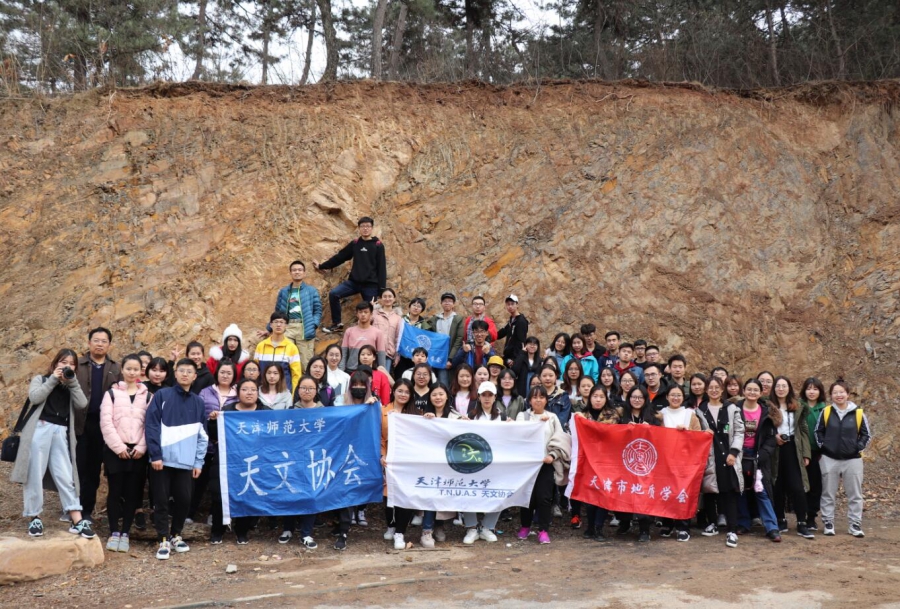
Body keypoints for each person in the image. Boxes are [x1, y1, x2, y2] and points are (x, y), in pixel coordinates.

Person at [12, 349, 94, 539]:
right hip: (39, 429)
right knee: (34, 474)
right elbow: (35, 397)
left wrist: (71, 381)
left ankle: (77, 519)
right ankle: (34, 517)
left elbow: (82, 404)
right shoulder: (41, 379)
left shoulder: (71, 384)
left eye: (72, 363)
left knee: (66, 475)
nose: (67, 366)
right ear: (55, 363)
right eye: (63, 362)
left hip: (60, 432)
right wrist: (53, 379)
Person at [144, 359, 208, 559]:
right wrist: (155, 454)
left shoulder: (198, 402)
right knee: (161, 501)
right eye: (181, 370)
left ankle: (176, 535)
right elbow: (151, 425)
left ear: (195, 376)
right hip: (162, 461)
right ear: (176, 373)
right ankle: (163, 538)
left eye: (189, 371)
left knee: (184, 500)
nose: (185, 374)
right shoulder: (162, 395)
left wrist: (198, 462)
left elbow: (203, 435)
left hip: (186, 462)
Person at [99, 354, 151, 552]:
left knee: (132, 493)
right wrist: (119, 447)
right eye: (128, 368)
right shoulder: (111, 394)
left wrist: (141, 447)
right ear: (122, 370)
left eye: (136, 369)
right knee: (115, 492)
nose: (132, 372)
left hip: (138, 451)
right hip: (115, 451)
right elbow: (106, 423)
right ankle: (114, 532)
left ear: (141, 371)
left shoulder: (148, 396)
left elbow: (150, 425)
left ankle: (126, 532)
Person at [212, 379, 272, 545]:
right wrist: (213, 420)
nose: (249, 393)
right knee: (221, 495)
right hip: (229, 461)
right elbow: (214, 435)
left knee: (249, 494)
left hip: (255, 461)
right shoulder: (227, 411)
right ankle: (218, 530)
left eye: (253, 389)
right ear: (238, 393)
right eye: (245, 389)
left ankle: (242, 531)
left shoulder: (265, 412)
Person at [74, 327, 122, 523]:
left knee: (94, 470)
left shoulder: (116, 368)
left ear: (109, 345)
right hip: (80, 424)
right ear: (89, 343)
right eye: (96, 340)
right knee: (77, 468)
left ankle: (86, 511)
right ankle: (72, 508)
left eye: (104, 341)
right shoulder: (77, 364)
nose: (100, 344)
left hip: (103, 426)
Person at [816, 379, 871, 538]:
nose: (838, 395)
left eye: (842, 392)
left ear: (847, 394)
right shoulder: (826, 412)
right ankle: (828, 522)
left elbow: (866, 435)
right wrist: (824, 446)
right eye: (835, 392)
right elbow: (818, 432)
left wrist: (857, 447)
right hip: (829, 458)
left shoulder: (858, 413)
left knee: (855, 493)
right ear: (831, 395)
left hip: (852, 460)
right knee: (828, 492)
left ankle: (855, 524)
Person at [315, 217, 387, 333]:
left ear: (372, 228)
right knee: (334, 294)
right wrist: (322, 266)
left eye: (368, 226)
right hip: (354, 283)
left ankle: (373, 334)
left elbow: (382, 268)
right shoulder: (355, 243)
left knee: (372, 311)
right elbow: (340, 257)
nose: (365, 228)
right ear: (359, 228)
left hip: (370, 285)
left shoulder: (378, 245)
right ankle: (337, 324)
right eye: (363, 226)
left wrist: (381, 290)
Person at [334, 371, 380, 548]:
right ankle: (342, 529)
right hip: (341, 452)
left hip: (363, 453)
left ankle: (346, 527)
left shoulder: (373, 403)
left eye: (362, 385)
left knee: (354, 489)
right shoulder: (340, 401)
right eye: (355, 385)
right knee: (343, 490)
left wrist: (370, 407)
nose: (359, 388)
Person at [697, 377, 744, 548]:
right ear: (706, 390)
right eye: (710, 387)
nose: (714, 390)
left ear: (722, 389)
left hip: (728, 456)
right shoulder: (700, 410)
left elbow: (739, 431)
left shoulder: (731, 408)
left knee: (729, 492)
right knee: (709, 491)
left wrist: (734, 452)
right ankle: (712, 523)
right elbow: (695, 432)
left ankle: (732, 529)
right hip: (709, 457)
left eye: (717, 387)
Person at [516, 386, 567, 544]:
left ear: (546, 400)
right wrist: (537, 423)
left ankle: (543, 530)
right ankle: (525, 526)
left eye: (542, 397)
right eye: (535, 397)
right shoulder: (523, 416)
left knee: (544, 498)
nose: (538, 400)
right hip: (527, 465)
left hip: (546, 464)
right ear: (529, 400)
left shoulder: (552, 417)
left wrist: (552, 455)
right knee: (527, 497)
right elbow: (519, 435)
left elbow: (560, 439)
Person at [276, 376, 321, 549]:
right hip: (293, 460)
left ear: (316, 391)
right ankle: (288, 529)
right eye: (303, 388)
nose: (307, 391)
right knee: (290, 493)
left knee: (311, 496)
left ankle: (306, 533)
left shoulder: (324, 412)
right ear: (298, 390)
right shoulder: (290, 411)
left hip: (313, 460)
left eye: (310, 388)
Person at [737, 379, 782, 542]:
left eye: (756, 390)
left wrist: (761, 455)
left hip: (758, 456)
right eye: (749, 389)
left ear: (761, 393)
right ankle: (743, 523)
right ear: (743, 391)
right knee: (741, 490)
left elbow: (771, 438)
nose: (752, 392)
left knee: (761, 490)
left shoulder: (766, 412)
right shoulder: (734, 409)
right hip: (739, 454)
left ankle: (771, 527)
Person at [769, 376, 814, 539]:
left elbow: (803, 430)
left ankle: (802, 522)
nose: (781, 389)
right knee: (777, 484)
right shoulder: (768, 406)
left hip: (794, 448)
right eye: (778, 386)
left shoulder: (797, 406)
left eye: (784, 386)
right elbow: (764, 428)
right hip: (774, 449)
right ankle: (780, 519)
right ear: (774, 388)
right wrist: (774, 437)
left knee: (797, 486)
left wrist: (806, 453)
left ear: (789, 388)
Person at [193, 360, 237, 524]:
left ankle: (215, 514)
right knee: (198, 481)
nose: (225, 376)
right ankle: (190, 514)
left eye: (229, 373)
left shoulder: (238, 394)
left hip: (227, 447)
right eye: (222, 372)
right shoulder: (205, 392)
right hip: (205, 445)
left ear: (234, 375)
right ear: (216, 373)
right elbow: (197, 415)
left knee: (220, 483)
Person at [462, 382, 505, 544]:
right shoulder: (471, 415)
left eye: (490, 395)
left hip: (496, 463)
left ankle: (488, 527)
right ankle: (471, 527)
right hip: (474, 462)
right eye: (484, 395)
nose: (487, 398)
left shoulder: (502, 416)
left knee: (499, 492)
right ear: (479, 397)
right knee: (469, 491)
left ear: (495, 397)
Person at [657, 385, 701, 542]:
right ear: (667, 397)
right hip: (665, 460)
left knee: (682, 492)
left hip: (685, 461)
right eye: (672, 395)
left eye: (678, 395)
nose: (675, 398)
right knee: (667, 492)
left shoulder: (690, 415)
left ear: (683, 397)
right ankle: (667, 523)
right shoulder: (660, 415)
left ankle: (683, 527)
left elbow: (699, 436)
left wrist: (687, 432)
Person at [578, 386, 622, 541]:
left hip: (607, 460)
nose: (598, 400)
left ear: (606, 399)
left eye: (601, 397)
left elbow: (605, 432)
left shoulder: (613, 414)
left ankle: (598, 527)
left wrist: (586, 424)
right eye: (595, 396)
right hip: (588, 460)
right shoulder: (582, 415)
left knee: (604, 493)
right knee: (590, 494)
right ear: (590, 398)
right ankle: (590, 526)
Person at [616, 387, 659, 542]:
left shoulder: (653, 417)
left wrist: (651, 430)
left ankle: (644, 529)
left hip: (646, 467)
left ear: (645, 399)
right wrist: (624, 429)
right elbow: (612, 433)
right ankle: (624, 522)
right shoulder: (621, 415)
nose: (637, 400)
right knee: (624, 492)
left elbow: (661, 438)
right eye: (634, 397)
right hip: (625, 463)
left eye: (640, 397)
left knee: (643, 495)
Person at [382, 380, 419, 548]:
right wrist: (382, 456)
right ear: (393, 391)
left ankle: (400, 532)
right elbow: (379, 437)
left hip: (408, 462)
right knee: (388, 494)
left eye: (407, 392)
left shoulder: (416, 414)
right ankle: (391, 525)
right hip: (388, 460)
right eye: (400, 391)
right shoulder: (383, 411)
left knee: (406, 495)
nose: (403, 394)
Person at [263, 260, 322, 365]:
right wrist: (269, 328)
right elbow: (278, 312)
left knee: (305, 362)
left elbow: (317, 310)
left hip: (305, 327)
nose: (297, 272)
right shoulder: (284, 291)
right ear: (290, 273)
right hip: (288, 327)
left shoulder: (311, 291)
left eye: (300, 270)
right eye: (294, 270)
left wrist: (314, 324)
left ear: (304, 273)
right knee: (285, 359)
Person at [800, 377, 828, 530]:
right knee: (801, 485)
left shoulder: (825, 410)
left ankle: (811, 517)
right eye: (809, 388)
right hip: (800, 452)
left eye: (815, 389)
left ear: (820, 391)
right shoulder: (798, 407)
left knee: (815, 486)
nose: (812, 392)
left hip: (818, 453)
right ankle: (801, 515)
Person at [254, 312, 303, 395]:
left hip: (284, 394)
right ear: (270, 325)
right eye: (276, 322)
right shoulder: (261, 346)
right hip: (263, 394)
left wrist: (293, 396)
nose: (278, 325)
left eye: (282, 322)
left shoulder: (292, 348)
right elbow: (256, 371)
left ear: (286, 325)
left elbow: (296, 375)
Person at [340, 301, 387, 371]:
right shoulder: (349, 331)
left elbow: (381, 354)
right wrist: (341, 371)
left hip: (370, 371)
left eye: (366, 312)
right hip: (351, 369)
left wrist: (382, 372)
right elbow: (344, 353)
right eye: (360, 312)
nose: (363, 314)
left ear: (371, 314)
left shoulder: (378, 333)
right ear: (357, 314)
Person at [430, 292, 464, 386]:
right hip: (434, 356)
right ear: (441, 303)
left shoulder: (458, 319)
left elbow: (459, 339)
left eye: (450, 301)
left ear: (453, 304)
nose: (447, 303)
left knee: (443, 382)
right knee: (431, 381)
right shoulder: (434, 319)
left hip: (446, 357)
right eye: (445, 301)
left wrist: (450, 358)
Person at [372, 288, 404, 374]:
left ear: (394, 299)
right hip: (373, 352)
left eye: (390, 296)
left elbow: (398, 338)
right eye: (385, 296)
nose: (387, 299)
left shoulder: (398, 318)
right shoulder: (374, 313)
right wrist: (370, 308)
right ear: (381, 299)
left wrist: (397, 355)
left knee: (385, 377)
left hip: (388, 353)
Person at [495, 294, 529, 367]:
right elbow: (504, 331)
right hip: (508, 356)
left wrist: (515, 359)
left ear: (517, 305)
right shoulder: (512, 319)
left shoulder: (521, 321)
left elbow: (521, 341)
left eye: (512, 304)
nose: (510, 306)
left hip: (514, 359)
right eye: (508, 304)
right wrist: (492, 336)